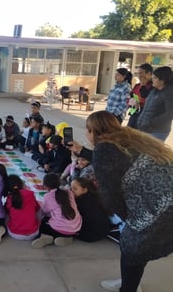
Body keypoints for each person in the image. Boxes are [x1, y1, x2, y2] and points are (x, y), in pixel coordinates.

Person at [68, 110, 173, 292]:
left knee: (131, 248)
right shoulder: (128, 138)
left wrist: (129, 219)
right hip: (167, 197)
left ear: (94, 131)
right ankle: (129, 283)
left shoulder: (104, 150)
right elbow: (113, 161)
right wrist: (81, 151)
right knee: (139, 249)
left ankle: (128, 287)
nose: (86, 133)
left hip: (158, 206)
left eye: (87, 130)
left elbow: (111, 197)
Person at [31, 173, 81, 249]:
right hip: (75, 229)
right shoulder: (69, 192)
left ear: (45, 185)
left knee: (42, 222)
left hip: (58, 229)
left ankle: (46, 236)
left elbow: (44, 212)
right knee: (58, 221)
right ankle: (68, 238)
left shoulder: (48, 196)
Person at [137, 66, 173, 141]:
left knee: (149, 152)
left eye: (155, 78)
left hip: (157, 131)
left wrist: (150, 123)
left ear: (162, 80)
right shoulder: (154, 90)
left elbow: (170, 114)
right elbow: (144, 96)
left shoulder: (169, 93)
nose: (152, 80)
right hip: (145, 128)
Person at [70, 177, 111, 242]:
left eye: (75, 189)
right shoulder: (95, 196)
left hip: (89, 235)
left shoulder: (79, 201)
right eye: (71, 188)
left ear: (84, 190)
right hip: (105, 230)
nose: (71, 191)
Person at [5, 175, 40, 240]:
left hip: (15, 234)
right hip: (34, 233)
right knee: (39, 210)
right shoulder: (30, 194)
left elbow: (7, 211)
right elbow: (37, 209)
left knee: (6, 214)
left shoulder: (9, 198)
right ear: (21, 184)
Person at [127, 63, 153, 128]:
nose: (139, 75)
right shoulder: (137, 86)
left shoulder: (153, 87)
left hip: (146, 117)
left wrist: (144, 85)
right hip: (134, 114)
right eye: (138, 73)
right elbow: (130, 98)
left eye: (141, 73)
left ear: (149, 74)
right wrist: (133, 103)